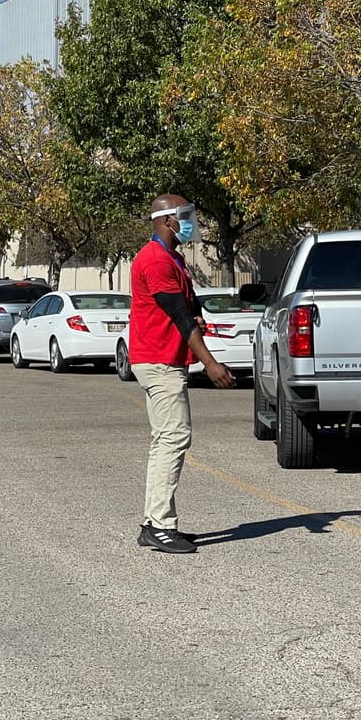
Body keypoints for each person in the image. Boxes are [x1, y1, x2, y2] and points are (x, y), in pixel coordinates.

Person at [129, 194, 235, 554]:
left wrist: (198, 314)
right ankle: (160, 526)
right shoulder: (155, 260)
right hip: (158, 360)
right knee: (173, 439)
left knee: (166, 440)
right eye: (186, 217)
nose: (192, 224)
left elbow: (188, 306)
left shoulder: (172, 257)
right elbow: (178, 314)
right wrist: (210, 362)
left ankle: (154, 522)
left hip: (165, 358)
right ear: (166, 220)